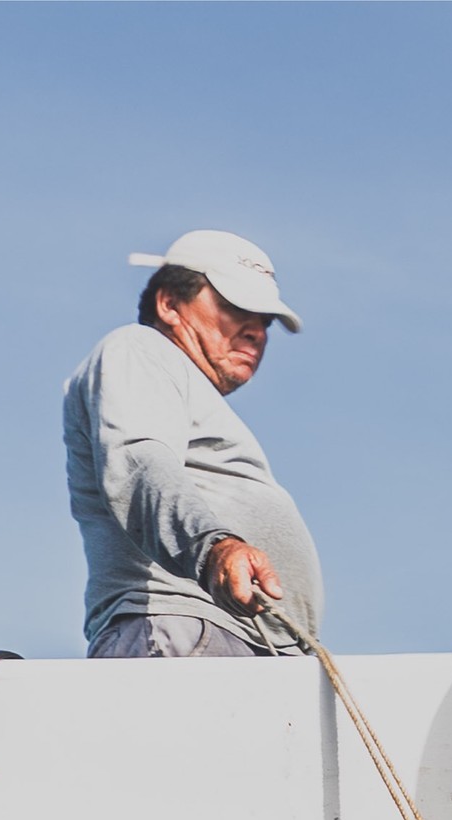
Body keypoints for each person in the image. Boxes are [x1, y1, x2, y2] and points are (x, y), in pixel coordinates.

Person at [63, 230, 321, 658]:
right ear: (169, 304)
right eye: (236, 307)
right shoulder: (139, 349)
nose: (256, 331)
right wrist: (214, 547)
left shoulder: (179, 386)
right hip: (183, 627)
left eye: (265, 321)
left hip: (244, 645)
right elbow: (140, 463)